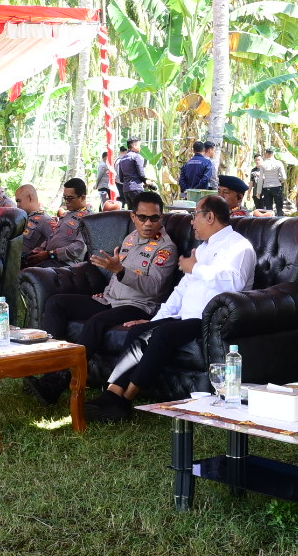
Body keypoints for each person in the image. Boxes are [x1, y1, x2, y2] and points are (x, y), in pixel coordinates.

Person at [86, 195, 255, 422]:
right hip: (184, 318)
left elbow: (235, 283)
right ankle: (113, 394)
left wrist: (197, 269)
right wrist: (155, 319)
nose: (192, 222)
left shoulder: (239, 246)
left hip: (210, 321)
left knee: (163, 335)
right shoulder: (203, 249)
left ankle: (125, 400)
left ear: (210, 217)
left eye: (195, 216)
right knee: (138, 331)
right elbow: (181, 290)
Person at [25, 191, 180, 406]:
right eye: (142, 217)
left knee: (96, 322)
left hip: (138, 307)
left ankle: (57, 383)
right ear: (133, 217)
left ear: (161, 218)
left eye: (154, 218)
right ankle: (51, 369)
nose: (148, 223)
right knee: (56, 303)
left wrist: (119, 271)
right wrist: (107, 291)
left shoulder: (166, 248)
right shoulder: (131, 238)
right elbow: (118, 273)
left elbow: (154, 287)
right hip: (110, 301)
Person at [23, 179, 91, 267]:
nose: (67, 201)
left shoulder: (88, 218)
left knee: (26, 272)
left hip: (64, 264)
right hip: (48, 258)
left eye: (70, 198)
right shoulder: (67, 215)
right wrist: (40, 249)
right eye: (65, 198)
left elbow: (78, 249)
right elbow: (52, 237)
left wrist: (49, 254)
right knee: (15, 261)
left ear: (82, 198)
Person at [116, 138, 149, 209]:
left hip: (126, 189)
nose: (140, 148)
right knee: (139, 211)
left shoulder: (122, 159)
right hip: (136, 188)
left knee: (131, 212)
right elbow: (141, 174)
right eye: (139, 145)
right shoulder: (137, 157)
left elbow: (121, 178)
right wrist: (146, 181)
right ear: (134, 145)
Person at [254, 148, 287, 215]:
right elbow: (284, 177)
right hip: (277, 187)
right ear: (273, 153)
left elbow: (260, 179)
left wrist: (258, 192)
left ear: (266, 154)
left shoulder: (263, 164)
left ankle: (270, 223)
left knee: (269, 210)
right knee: (279, 208)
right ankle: (281, 223)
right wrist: (279, 179)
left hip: (266, 188)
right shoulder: (279, 163)